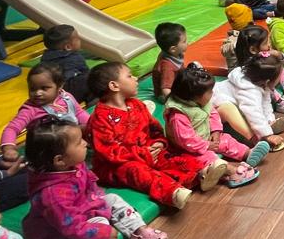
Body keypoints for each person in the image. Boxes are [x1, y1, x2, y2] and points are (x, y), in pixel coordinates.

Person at [22, 116, 167, 239]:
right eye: (79, 142)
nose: (85, 143)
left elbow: (90, 187)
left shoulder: (73, 164)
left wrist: (98, 202)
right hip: (56, 237)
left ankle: (137, 232)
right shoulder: (53, 194)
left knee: (112, 199)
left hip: (81, 209)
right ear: (59, 160)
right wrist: (102, 232)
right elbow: (71, 227)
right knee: (99, 224)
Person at [85, 62, 205, 210]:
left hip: (148, 152)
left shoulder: (136, 104)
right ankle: (172, 192)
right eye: (129, 76)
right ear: (114, 86)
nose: (136, 78)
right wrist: (142, 153)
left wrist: (159, 142)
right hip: (118, 165)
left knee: (171, 157)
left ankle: (200, 174)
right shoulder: (100, 118)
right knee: (138, 171)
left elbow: (154, 128)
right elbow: (109, 152)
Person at [163, 67, 266, 188]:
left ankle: (247, 153)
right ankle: (231, 172)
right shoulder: (178, 116)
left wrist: (216, 131)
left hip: (206, 137)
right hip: (188, 150)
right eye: (209, 92)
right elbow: (186, 140)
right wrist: (206, 145)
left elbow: (213, 113)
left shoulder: (201, 102)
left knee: (226, 140)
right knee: (208, 159)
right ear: (195, 96)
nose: (212, 93)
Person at [0, 63, 89, 160]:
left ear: (59, 86)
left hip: (71, 141)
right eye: (32, 89)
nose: (38, 93)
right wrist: (9, 148)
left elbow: (79, 113)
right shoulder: (30, 109)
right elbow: (12, 128)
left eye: (44, 88)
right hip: (47, 152)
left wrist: (91, 124)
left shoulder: (67, 97)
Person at [212, 55, 284, 152]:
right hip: (211, 110)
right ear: (268, 81)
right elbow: (254, 113)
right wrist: (267, 135)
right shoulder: (249, 91)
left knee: (250, 113)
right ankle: (257, 139)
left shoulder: (260, 83)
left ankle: (267, 126)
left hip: (223, 104)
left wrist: (270, 119)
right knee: (235, 111)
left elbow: (265, 104)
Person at [234, 24, 284, 113]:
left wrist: (279, 55)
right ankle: (279, 101)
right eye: (265, 43)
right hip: (263, 88)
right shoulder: (249, 66)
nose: (269, 45)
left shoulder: (267, 54)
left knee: (280, 65)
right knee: (265, 83)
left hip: (272, 83)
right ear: (253, 50)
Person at [40, 24, 89, 103]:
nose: (80, 40)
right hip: (67, 93)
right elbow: (85, 71)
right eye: (77, 39)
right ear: (68, 47)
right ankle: (92, 99)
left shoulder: (45, 56)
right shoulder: (75, 58)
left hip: (51, 91)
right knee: (92, 77)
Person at [150, 22, 190, 102]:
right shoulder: (167, 67)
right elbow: (165, 89)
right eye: (184, 41)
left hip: (175, 82)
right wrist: (176, 102)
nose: (187, 43)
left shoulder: (173, 53)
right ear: (173, 49)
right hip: (164, 95)